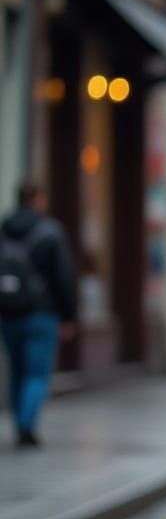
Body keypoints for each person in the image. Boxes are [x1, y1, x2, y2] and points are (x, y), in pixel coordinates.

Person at [0, 180, 77, 448]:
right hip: (41, 314)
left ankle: (19, 423)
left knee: (17, 372)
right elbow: (64, 278)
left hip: (8, 313)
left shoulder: (5, 229)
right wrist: (68, 316)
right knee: (36, 374)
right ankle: (25, 426)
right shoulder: (50, 231)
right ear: (39, 200)